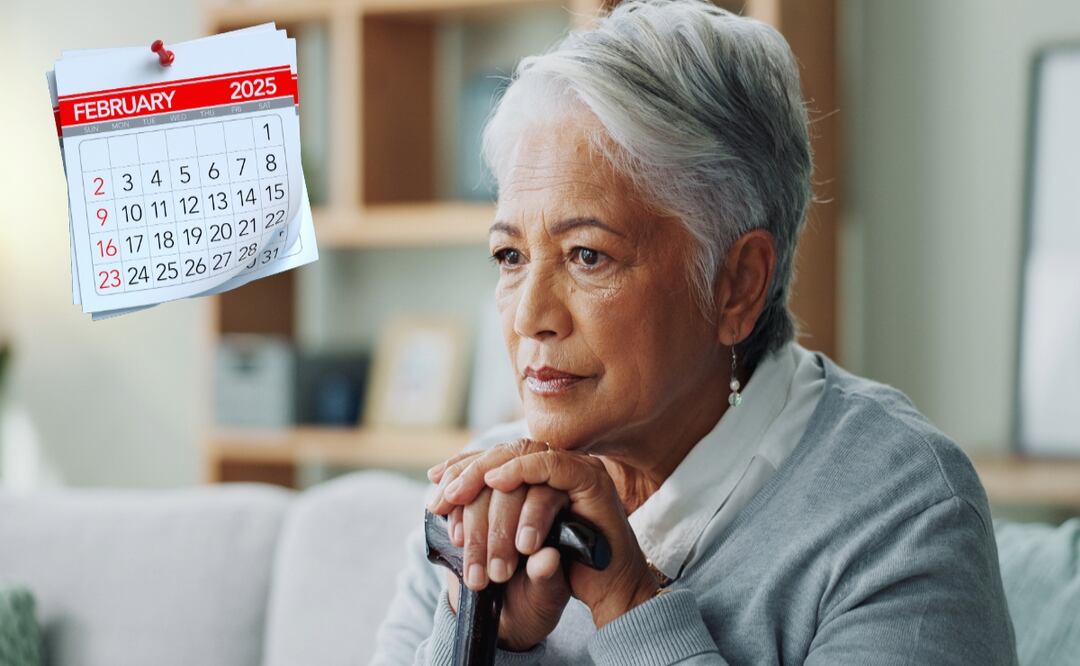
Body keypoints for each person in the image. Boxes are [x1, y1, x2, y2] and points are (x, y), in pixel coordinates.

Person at [371, 0, 1017, 663]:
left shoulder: (902, 512)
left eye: (588, 256)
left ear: (736, 284)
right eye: (510, 257)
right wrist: (487, 632)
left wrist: (629, 604)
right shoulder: (482, 507)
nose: (528, 315)